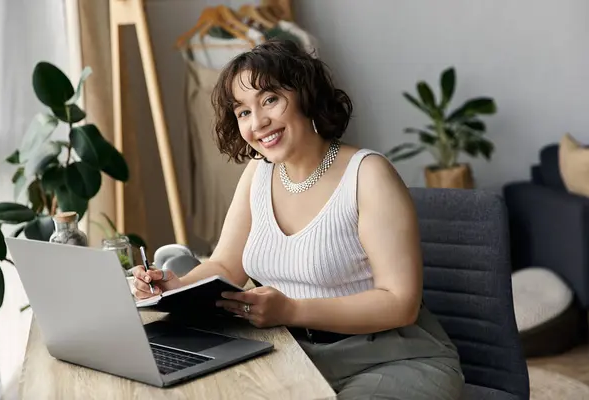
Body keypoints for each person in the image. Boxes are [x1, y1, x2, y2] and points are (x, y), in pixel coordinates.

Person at [131, 39, 464, 399]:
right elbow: (227, 265)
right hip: (291, 352)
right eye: (243, 112)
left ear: (305, 94)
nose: (257, 122)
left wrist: (291, 309)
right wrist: (173, 285)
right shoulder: (257, 174)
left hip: (389, 357)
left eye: (269, 100)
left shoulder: (368, 175)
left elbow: (400, 303)